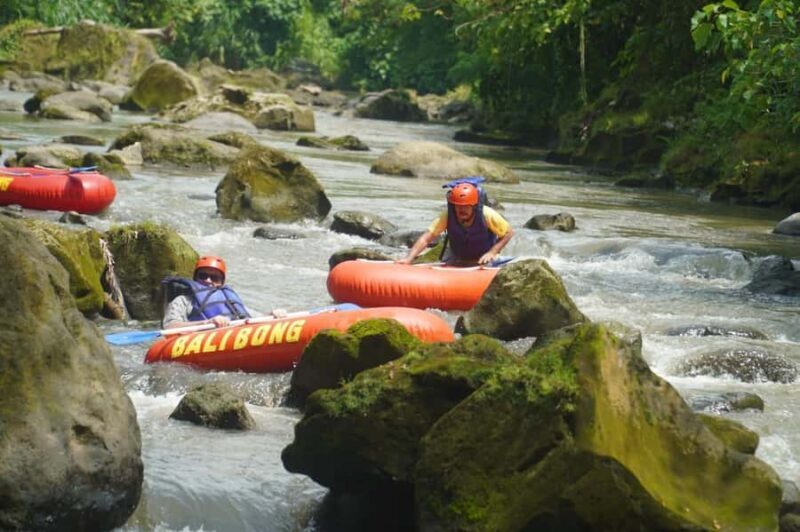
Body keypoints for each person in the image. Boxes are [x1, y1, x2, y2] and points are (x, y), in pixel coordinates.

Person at [397, 179, 513, 266]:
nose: (461, 210)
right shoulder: (447, 216)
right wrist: (409, 259)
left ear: (473, 206)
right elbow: (426, 238)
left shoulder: (487, 214)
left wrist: (492, 252)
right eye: (458, 206)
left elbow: (509, 233)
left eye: (465, 206)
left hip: (484, 259)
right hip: (458, 257)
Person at [162, 255, 285, 329]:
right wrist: (207, 322)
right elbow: (170, 326)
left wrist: (272, 315)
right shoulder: (183, 301)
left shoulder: (230, 300)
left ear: (221, 282)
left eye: (214, 278)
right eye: (203, 276)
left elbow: (252, 319)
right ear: (195, 278)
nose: (208, 281)